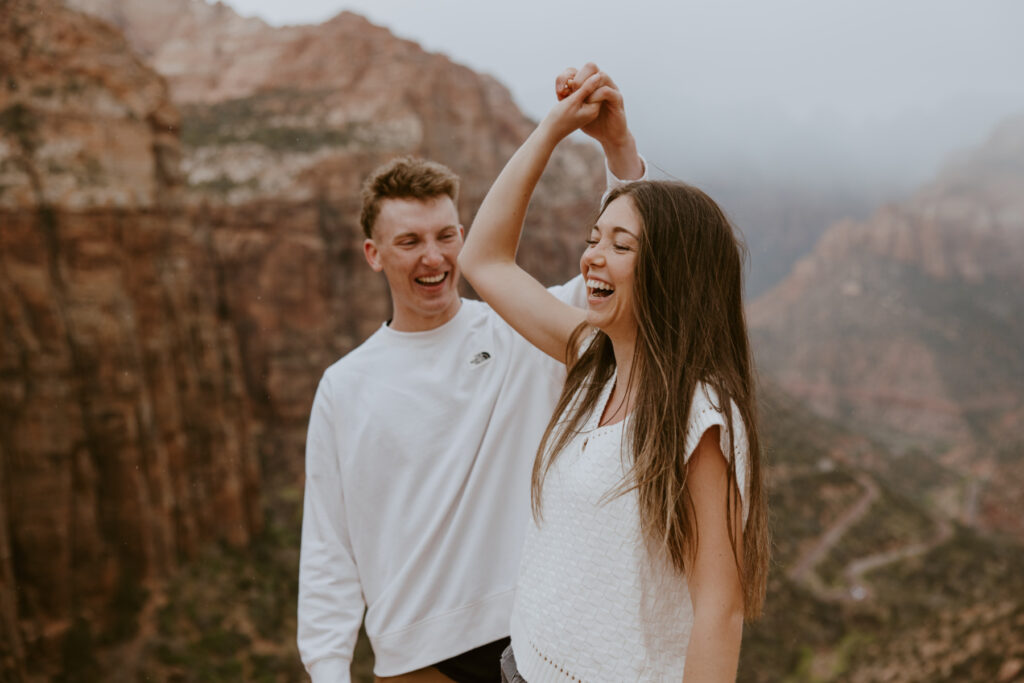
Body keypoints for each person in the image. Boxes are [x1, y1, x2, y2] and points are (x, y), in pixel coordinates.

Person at [297, 65, 645, 682]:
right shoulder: (344, 386)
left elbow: (631, 271)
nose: (433, 257)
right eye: (409, 242)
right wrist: (327, 671)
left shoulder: (523, 328)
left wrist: (618, 150)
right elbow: (328, 546)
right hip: (415, 660)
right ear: (374, 255)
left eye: (447, 235)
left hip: (537, 640)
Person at [458, 65, 770, 682]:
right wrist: (555, 129)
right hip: (520, 666)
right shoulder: (591, 359)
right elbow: (483, 258)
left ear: (670, 274)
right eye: (594, 237)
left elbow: (720, 609)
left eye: (620, 246)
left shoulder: (701, 414)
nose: (592, 257)